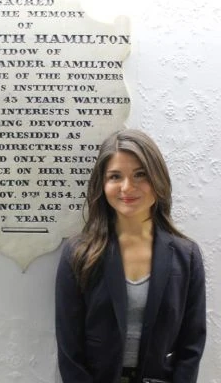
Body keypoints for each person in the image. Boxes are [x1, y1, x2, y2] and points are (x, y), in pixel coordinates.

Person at [55, 129, 206, 383]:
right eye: (115, 176)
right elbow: (70, 350)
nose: (127, 187)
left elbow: (191, 345)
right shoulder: (79, 254)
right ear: (102, 184)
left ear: (157, 178)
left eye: (140, 174)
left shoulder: (187, 256)